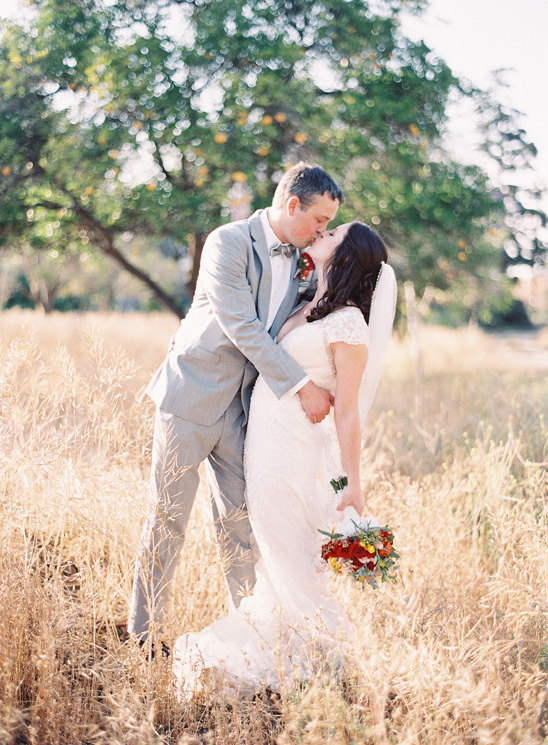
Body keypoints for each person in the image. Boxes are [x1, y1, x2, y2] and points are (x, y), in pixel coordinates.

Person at [173, 221, 397, 697]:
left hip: (294, 455)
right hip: (264, 450)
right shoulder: (305, 305)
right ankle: (310, 659)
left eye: (333, 232)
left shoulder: (348, 324)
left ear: (346, 254)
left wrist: (353, 484)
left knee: (286, 558)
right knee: (275, 559)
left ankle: (338, 663)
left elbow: (349, 412)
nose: (323, 231)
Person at [128, 163, 344, 651]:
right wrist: (301, 386)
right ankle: (142, 635)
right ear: (292, 205)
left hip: (244, 412)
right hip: (190, 396)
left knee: (241, 525)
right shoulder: (227, 241)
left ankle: (248, 637)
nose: (321, 230)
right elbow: (242, 327)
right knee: (167, 518)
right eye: (318, 220)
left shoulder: (305, 260)